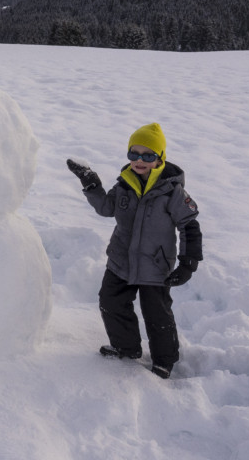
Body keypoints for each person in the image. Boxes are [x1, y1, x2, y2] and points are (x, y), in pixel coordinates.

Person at [66, 123, 202, 379]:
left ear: (159, 158)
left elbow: (189, 225)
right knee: (110, 302)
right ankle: (126, 347)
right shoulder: (124, 185)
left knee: (157, 315)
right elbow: (107, 208)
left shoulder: (172, 191)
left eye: (147, 155)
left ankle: (164, 360)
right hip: (121, 262)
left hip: (155, 266)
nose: (139, 161)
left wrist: (188, 262)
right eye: (133, 154)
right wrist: (91, 185)